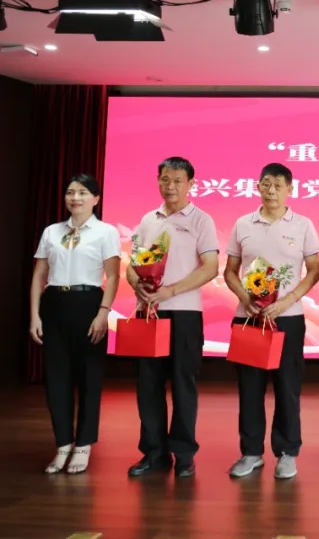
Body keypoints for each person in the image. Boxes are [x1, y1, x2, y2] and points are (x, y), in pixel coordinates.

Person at [223, 163, 319, 480]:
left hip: (287, 318)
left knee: (287, 388)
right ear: (258, 187)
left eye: (278, 185)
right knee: (249, 388)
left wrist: (285, 302)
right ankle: (251, 452)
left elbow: (314, 272)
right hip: (248, 318)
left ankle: (287, 452)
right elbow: (230, 271)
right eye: (266, 184)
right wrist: (246, 298)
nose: (271, 190)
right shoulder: (243, 223)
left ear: (289, 189)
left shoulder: (303, 225)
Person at [128, 157, 219, 479]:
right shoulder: (148, 219)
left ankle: (183, 454)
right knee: (148, 385)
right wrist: (137, 284)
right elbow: (132, 263)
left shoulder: (201, 220)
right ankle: (154, 452)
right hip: (149, 312)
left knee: (183, 385)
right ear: (158, 180)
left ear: (191, 184)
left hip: (184, 313)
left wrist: (171, 291)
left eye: (178, 180)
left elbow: (211, 267)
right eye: (165, 179)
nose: (171, 186)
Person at [29, 173, 121, 475]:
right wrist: (35, 315)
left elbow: (113, 276)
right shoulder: (52, 231)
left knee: (89, 379)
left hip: (88, 304)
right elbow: (39, 275)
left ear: (96, 199)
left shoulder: (106, 232)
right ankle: (63, 444)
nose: (75, 198)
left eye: (82, 192)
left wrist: (103, 313)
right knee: (57, 380)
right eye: (70, 192)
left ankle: (83, 445)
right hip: (55, 304)